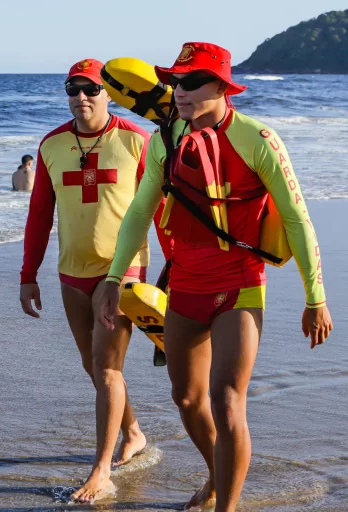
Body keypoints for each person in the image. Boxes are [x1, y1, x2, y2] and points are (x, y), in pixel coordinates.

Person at [97, 42, 334, 511]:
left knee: (227, 402)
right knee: (187, 399)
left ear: (222, 87)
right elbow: (140, 210)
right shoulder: (164, 139)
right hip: (185, 287)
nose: (177, 91)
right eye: (174, 82)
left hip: (240, 286)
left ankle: (226, 505)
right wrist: (112, 278)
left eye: (190, 82)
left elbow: (296, 219)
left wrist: (315, 297)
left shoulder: (258, 138)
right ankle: (215, 478)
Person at [19, 58, 169, 503]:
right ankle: (134, 432)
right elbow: (39, 215)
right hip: (70, 272)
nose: (80, 97)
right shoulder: (52, 145)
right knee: (96, 367)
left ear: (109, 94)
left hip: (122, 273)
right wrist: (29, 275)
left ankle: (101, 471)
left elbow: (160, 211)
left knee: (106, 368)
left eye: (90, 89)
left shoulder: (137, 140)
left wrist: (174, 269)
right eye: (72, 89)